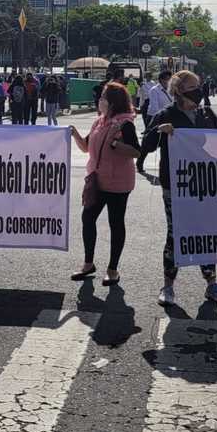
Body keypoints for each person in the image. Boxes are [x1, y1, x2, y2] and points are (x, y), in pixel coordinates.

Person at [140, 70, 217, 307]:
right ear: (179, 90)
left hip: (203, 184)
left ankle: (212, 283)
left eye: (198, 86)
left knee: (206, 233)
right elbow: (146, 146)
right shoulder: (165, 115)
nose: (197, 91)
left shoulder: (206, 114)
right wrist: (160, 132)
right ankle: (168, 286)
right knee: (175, 233)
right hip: (175, 185)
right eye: (192, 87)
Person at [70, 82, 140, 286]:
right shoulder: (99, 122)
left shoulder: (125, 123)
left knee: (115, 223)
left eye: (102, 98)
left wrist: (116, 144)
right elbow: (85, 147)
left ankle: (112, 269)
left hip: (119, 182)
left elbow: (137, 151)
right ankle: (88, 263)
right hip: (97, 180)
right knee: (87, 218)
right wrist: (74, 133)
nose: (99, 101)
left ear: (112, 103)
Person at [136, 70, 173, 172]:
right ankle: (140, 161)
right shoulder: (154, 90)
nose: (169, 81)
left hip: (168, 118)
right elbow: (154, 107)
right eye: (167, 79)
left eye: (170, 79)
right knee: (149, 143)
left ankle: (165, 168)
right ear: (161, 80)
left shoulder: (172, 90)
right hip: (155, 118)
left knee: (166, 144)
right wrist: (163, 115)